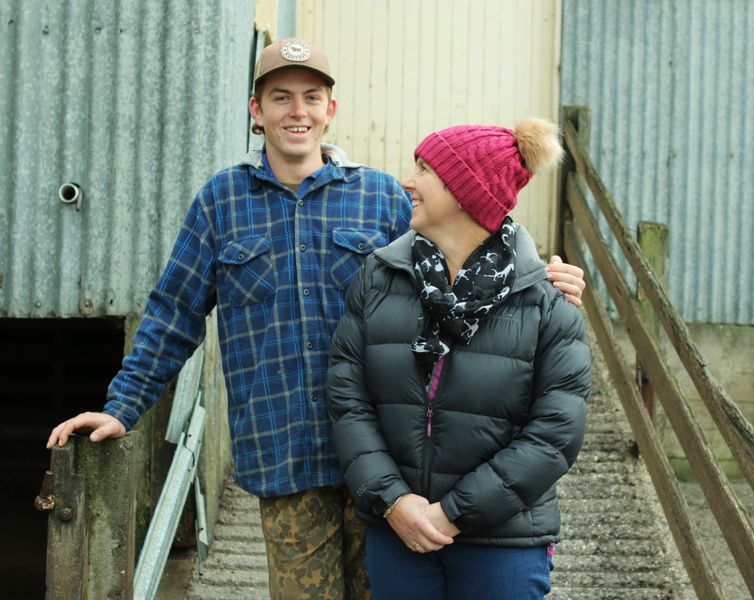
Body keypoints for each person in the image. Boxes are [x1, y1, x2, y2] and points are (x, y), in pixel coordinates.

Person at [44, 38, 587, 599]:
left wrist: (545, 276)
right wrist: (122, 408)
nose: (296, 112)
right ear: (257, 111)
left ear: (332, 110)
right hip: (285, 455)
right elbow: (173, 312)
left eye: (312, 97)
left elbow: (468, 249)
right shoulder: (221, 202)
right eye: (280, 98)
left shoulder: (381, 197)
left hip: (391, 462)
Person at [327, 117, 592, 599]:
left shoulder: (547, 302)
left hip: (505, 541)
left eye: (424, 169)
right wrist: (394, 501)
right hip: (400, 532)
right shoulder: (377, 279)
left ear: (466, 191)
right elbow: (348, 399)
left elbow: (555, 435)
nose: (408, 181)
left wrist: (451, 512)